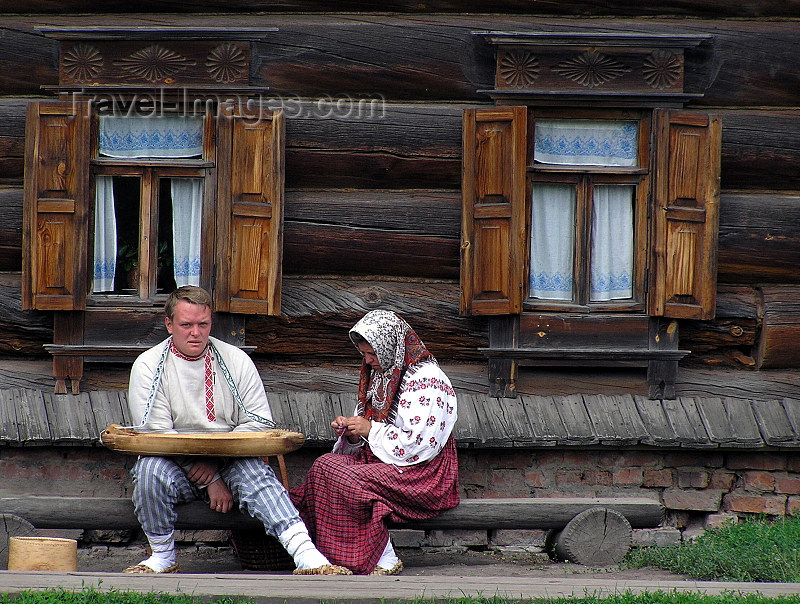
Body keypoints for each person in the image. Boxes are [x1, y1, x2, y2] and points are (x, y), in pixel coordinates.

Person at [123, 285, 351, 575]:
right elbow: (154, 434)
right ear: (169, 324)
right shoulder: (148, 365)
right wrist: (209, 479)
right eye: (186, 325)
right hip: (175, 466)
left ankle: (306, 554)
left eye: (203, 324)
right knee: (148, 471)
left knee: (256, 473)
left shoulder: (235, 360)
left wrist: (217, 464)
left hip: (231, 460)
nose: (196, 332)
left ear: (211, 323)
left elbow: (258, 422)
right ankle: (163, 555)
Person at [290, 309, 460, 575]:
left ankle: (380, 556)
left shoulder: (427, 380)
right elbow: (372, 428)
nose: (368, 361)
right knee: (325, 466)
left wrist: (370, 430)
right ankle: (353, 554)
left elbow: (417, 445)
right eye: (364, 354)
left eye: (372, 354)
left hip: (420, 474)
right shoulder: (383, 373)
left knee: (337, 474)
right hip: (385, 463)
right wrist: (353, 432)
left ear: (389, 346)